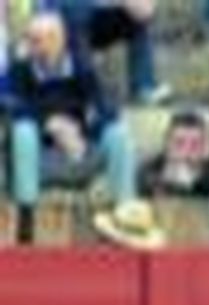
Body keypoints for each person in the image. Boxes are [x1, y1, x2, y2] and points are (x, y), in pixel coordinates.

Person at [7, 8, 137, 243]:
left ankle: (124, 216)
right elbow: (11, 103)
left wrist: (81, 132)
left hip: (79, 152)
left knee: (117, 134)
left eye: (50, 38)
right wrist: (49, 123)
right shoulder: (20, 70)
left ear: (64, 40)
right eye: (35, 40)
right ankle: (26, 222)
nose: (43, 46)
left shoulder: (82, 67)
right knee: (22, 131)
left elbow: (106, 109)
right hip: (42, 160)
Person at [44, 0, 166, 104]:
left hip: (96, 18)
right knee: (76, 9)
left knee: (138, 19)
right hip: (59, 20)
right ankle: (87, 90)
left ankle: (143, 87)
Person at [138, 108, 209, 198]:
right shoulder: (149, 171)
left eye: (194, 145)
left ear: (204, 148)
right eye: (179, 144)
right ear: (167, 145)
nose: (186, 153)